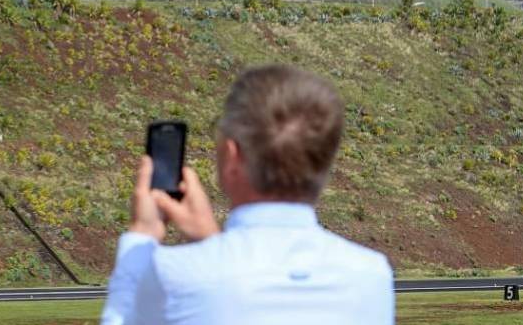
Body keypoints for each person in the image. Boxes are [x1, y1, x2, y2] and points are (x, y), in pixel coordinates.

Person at [100, 64, 393, 324]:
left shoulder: (176, 273)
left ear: (232, 155)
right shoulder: (373, 276)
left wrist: (142, 235)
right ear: (326, 159)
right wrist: (210, 242)